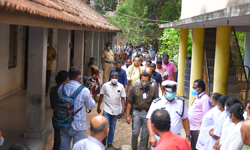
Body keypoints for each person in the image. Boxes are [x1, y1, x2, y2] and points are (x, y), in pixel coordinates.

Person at [58, 66, 96, 150]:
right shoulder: (84, 90)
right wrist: (91, 92)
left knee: (63, 148)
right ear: (79, 77)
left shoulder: (61, 88)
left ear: (69, 76)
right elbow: (91, 106)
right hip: (79, 125)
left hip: (64, 122)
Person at [147, 80, 190, 147]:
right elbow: (149, 119)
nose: (172, 94)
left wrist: (187, 135)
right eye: (169, 92)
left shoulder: (180, 103)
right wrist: (151, 136)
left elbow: (185, 119)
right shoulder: (157, 103)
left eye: (173, 92)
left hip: (176, 138)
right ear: (164, 91)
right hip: (160, 138)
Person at [126, 72, 158, 150]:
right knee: (135, 133)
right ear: (140, 80)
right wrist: (127, 116)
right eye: (143, 80)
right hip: (136, 112)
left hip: (148, 114)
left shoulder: (153, 90)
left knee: (145, 135)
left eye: (146, 81)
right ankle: (134, 148)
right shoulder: (134, 88)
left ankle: (142, 148)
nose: (144, 82)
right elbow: (129, 101)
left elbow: (156, 103)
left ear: (149, 81)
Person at [97, 72, 126, 148]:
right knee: (105, 126)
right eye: (113, 77)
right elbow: (101, 96)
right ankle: (103, 140)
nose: (114, 79)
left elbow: (122, 98)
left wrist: (123, 108)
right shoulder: (105, 85)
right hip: (107, 109)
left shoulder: (121, 86)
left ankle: (110, 143)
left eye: (116, 78)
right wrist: (98, 106)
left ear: (118, 78)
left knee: (112, 127)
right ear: (110, 78)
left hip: (116, 110)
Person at [188, 79, 211, 150]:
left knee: (196, 147)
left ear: (200, 89)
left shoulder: (205, 98)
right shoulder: (197, 97)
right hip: (192, 127)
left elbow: (206, 114)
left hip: (197, 128)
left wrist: (201, 128)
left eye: (194, 88)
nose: (193, 89)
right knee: (192, 146)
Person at [50, 70, 69, 150]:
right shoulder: (64, 89)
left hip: (55, 115)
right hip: (63, 116)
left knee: (57, 137)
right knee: (63, 138)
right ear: (66, 79)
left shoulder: (53, 89)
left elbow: (52, 105)